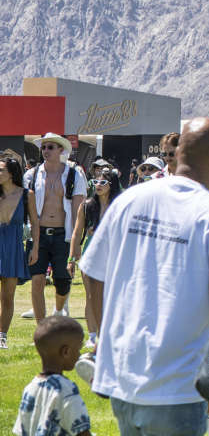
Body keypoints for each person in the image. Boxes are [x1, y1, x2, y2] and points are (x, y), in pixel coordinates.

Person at [79, 118, 209, 436]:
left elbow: (92, 272)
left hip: (124, 378)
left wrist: (104, 338)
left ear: (180, 152)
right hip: (177, 387)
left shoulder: (130, 201)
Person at [22, 134, 87, 322]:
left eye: (51, 147)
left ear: (61, 150)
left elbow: (78, 211)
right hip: (38, 235)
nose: (46, 151)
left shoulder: (74, 174)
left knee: (63, 283)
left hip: (62, 236)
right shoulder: (31, 174)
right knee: (37, 279)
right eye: (44, 147)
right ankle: (41, 328)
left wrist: (76, 242)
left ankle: (58, 312)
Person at [12, 314, 90, 436]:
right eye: (78, 349)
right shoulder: (66, 390)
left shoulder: (30, 388)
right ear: (66, 352)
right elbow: (82, 432)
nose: (79, 354)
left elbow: (22, 430)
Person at [73, 169, 119, 348]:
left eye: (103, 183)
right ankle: (92, 336)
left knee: (111, 296)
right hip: (90, 252)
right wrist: (71, 258)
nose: (98, 185)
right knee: (92, 296)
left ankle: (107, 334)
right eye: (95, 182)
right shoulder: (87, 205)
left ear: (112, 185)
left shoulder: (119, 204)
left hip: (113, 252)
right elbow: (77, 233)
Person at [1, 158, 37, 350]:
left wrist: (35, 247)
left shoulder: (26, 195)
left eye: (1, 170)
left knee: (8, 297)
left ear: (12, 173)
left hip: (14, 248)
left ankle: (2, 337)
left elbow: (35, 224)